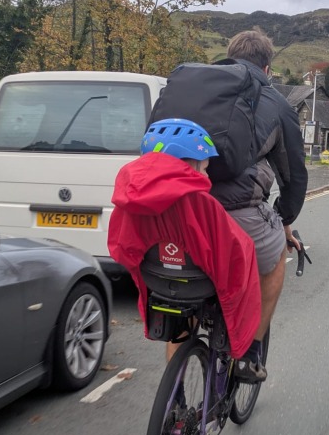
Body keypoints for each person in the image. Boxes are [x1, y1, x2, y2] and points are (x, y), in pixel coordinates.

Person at [107, 118, 265, 381]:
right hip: (199, 284)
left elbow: (120, 246)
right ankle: (240, 359)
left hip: (156, 280)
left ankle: (175, 402)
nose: (205, 177)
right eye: (203, 168)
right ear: (186, 163)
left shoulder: (129, 195)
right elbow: (237, 255)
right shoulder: (200, 202)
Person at [210, 29, 308, 365]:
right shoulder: (276, 103)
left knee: (185, 314)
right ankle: (251, 355)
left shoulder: (197, 87)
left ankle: (175, 402)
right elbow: (293, 176)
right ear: (267, 70)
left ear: (228, 55)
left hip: (178, 209)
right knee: (276, 260)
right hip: (238, 213)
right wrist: (284, 220)